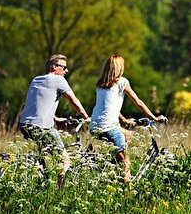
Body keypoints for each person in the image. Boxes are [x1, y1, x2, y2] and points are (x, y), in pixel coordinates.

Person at [90, 54, 167, 183]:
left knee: (128, 136)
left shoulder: (100, 85)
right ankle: (128, 189)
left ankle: (111, 168)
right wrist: (154, 118)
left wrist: (124, 120)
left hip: (94, 126)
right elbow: (138, 102)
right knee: (126, 162)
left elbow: (108, 106)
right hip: (109, 127)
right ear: (120, 68)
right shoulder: (122, 82)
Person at [19, 54, 90, 188]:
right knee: (65, 161)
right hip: (41, 127)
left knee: (43, 158)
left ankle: (42, 184)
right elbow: (74, 101)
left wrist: (56, 118)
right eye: (64, 67)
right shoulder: (58, 80)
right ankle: (59, 192)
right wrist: (86, 118)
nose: (66, 71)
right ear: (54, 68)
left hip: (24, 124)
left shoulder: (36, 79)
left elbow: (39, 103)